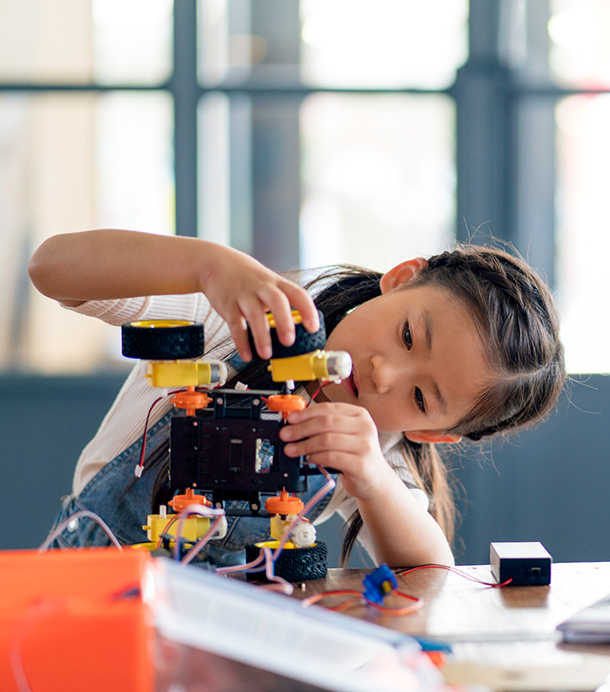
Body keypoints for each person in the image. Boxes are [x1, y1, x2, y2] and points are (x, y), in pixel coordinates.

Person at [28, 230, 565, 569]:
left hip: (218, 623)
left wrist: (373, 479)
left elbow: (431, 564)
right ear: (401, 279)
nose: (384, 374)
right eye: (406, 336)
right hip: (90, 580)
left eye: (421, 397)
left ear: (431, 433)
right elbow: (50, 268)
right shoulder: (236, 319)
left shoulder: (376, 444)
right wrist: (207, 266)